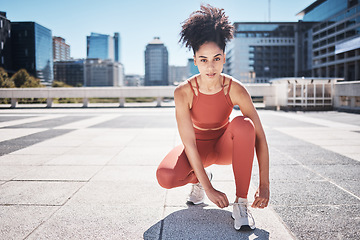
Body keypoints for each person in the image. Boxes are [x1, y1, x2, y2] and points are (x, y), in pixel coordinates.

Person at [156, 4, 270, 231]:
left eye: (216, 58)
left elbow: (259, 137)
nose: (210, 66)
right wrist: (208, 187)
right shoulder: (183, 92)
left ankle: (241, 204)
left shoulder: (235, 88)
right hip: (197, 148)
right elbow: (188, 143)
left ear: (224, 58)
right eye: (204, 59)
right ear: (195, 60)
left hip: (225, 146)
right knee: (165, 177)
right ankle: (200, 178)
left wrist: (265, 184)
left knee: (245, 124)